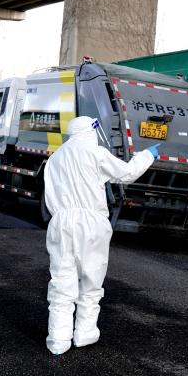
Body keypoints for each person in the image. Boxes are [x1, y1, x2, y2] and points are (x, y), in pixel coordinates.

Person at [43, 115, 160, 356]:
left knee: (61, 280)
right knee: (91, 280)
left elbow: (50, 193)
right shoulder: (95, 152)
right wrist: (147, 155)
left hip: (61, 222)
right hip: (92, 222)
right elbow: (126, 174)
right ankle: (84, 334)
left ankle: (57, 340)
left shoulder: (54, 158)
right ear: (91, 130)